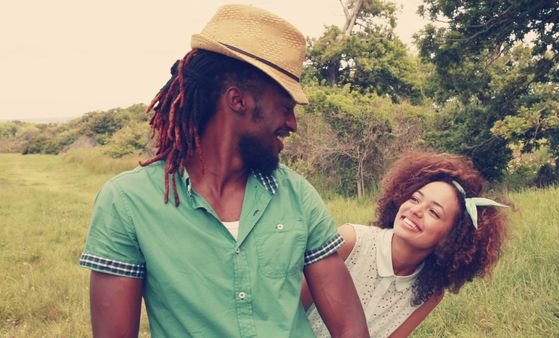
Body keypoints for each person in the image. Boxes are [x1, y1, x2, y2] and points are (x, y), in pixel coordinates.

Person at [79, 4, 368, 337]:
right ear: (238, 101)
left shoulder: (299, 196)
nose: (292, 123)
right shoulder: (127, 203)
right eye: (285, 108)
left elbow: (350, 328)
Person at [303, 152, 509, 337]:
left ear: (452, 237)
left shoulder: (431, 292)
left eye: (434, 212)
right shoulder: (350, 241)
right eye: (415, 199)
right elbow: (286, 310)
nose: (416, 210)